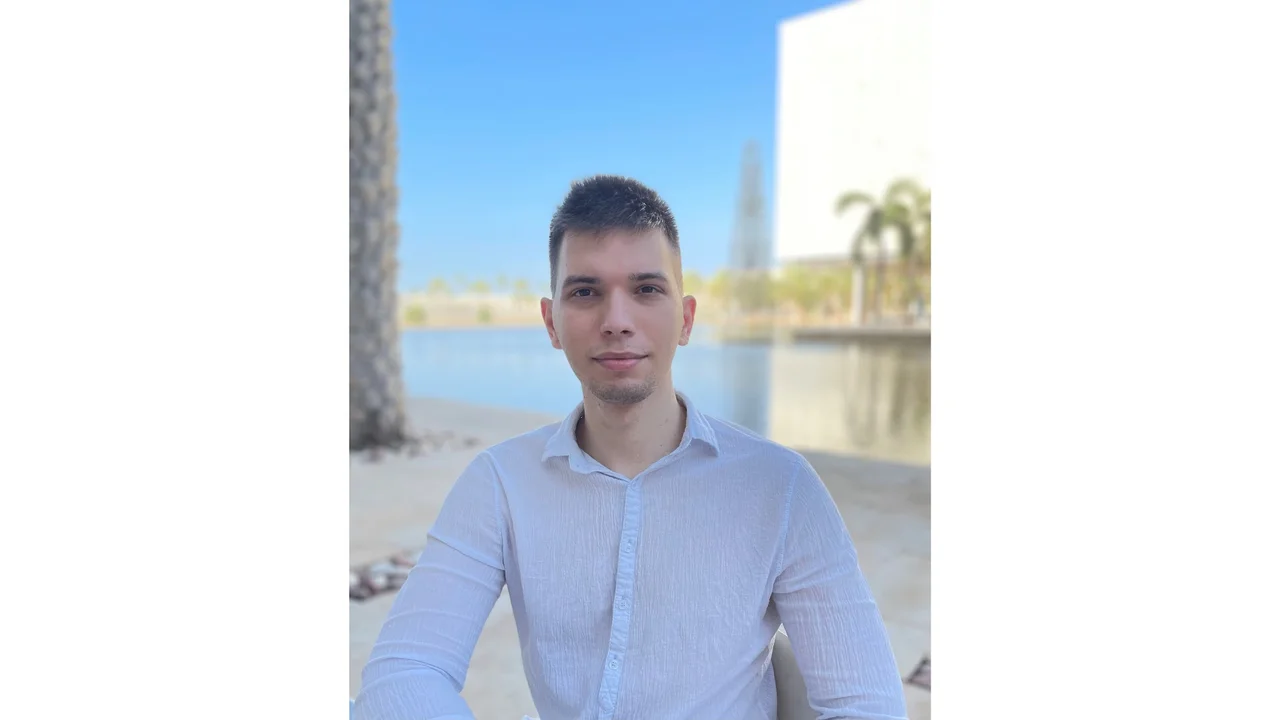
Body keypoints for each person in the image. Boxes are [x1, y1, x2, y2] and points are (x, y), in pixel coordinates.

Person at [353, 176, 908, 720]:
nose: (616, 322)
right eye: (585, 292)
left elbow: (866, 703)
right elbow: (404, 670)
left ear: (685, 318)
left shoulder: (781, 488)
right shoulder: (501, 483)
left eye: (646, 289)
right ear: (551, 322)